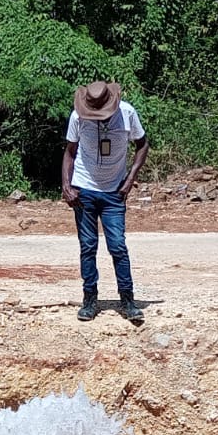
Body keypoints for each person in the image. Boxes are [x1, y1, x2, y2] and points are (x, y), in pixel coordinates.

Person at [62, 80, 149, 323]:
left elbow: (142, 145)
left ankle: (128, 300)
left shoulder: (127, 114)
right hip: (84, 189)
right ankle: (90, 299)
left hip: (114, 192)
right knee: (88, 246)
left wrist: (130, 179)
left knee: (118, 246)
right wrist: (67, 185)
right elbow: (70, 151)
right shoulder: (77, 117)